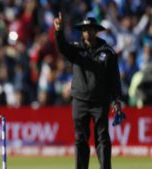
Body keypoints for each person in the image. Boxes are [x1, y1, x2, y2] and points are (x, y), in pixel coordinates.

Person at [54, 13, 123, 169]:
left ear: (96, 31)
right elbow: (63, 48)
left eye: (90, 29)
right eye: (84, 30)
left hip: (100, 102)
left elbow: (114, 79)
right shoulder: (76, 49)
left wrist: (116, 100)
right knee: (80, 139)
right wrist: (58, 31)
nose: (87, 32)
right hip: (80, 101)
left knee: (102, 139)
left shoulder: (108, 52)